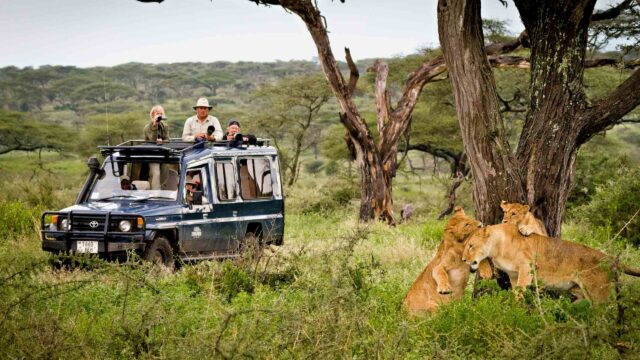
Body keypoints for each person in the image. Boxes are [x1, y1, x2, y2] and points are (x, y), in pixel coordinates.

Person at [144, 105, 170, 190]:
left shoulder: (165, 126)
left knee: (165, 173)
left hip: (163, 153)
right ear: (153, 115)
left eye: (161, 114)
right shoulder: (147, 127)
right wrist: (155, 126)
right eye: (157, 113)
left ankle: (163, 193)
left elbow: (168, 139)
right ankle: (155, 194)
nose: (159, 115)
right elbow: (152, 139)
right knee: (156, 173)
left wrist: (162, 142)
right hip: (152, 153)